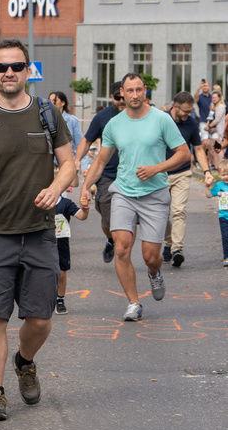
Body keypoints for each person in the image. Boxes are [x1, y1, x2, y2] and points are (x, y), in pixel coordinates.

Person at [0, 38, 75, 422]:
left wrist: (56, 188)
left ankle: (24, 361)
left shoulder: (47, 114)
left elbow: (69, 164)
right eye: (2, 67)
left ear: (28, 71)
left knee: (40, 319)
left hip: (39, 232)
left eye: (17, 67)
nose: (10, 73)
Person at [80, 73, 189, 323]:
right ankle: (133, 302)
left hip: (155, 194)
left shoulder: (161, 120)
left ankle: (154, 272)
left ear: (145, 91)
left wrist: (157, 168)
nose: (135, 95)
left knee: (151, 256)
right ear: (122, 93)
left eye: (139, 90)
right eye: (129, 91)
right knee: (121, 248)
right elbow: (101, 160)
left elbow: (184, 154)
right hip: (124, 193)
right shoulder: (114, 124)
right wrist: (86, 187)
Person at [74, 80, 126, 264]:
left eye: (123, 97)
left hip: (130, 175)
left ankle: (123, 254)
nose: (121, 101)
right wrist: (77, 161)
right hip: (106, 175)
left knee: (128, 219)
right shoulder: (103, 117)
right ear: (112, 97)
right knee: (106, 218)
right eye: (117, 98)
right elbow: (87, 141)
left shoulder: (135, 114)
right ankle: (111, 239)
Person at [162, 91, 214, 267]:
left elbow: (198, 149)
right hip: (160, 174)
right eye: (185, 111)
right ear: (175, 107)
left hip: (182, 173)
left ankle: (177, 249)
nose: (188, 114)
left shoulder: (191, 124)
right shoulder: (161, 120)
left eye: (190, 111)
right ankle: (168, 244)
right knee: (162, 214)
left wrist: (206, 170)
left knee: (179, 211)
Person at [53, 189, 89, 315]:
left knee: (62, 273)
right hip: (42, 243)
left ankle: (60, 299)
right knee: (42, 272)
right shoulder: (39, 202)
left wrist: (85, 209)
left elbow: (82, 217)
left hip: (61, 243)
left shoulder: (66, 203)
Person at [204, 158, 228, 266]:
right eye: (223, 175)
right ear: (219, 174)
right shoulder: (218, 186)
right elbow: (209, 195)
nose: (226, 177)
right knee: (225, 237)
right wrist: (206, 186)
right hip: (224, 216)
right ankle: (226, 257)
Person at [50, 91, 83, 159]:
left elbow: (80, 144)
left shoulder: (72, 120)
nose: (51, 103)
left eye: (54, 100)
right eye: (49, 100)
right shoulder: (44, 120)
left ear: (63, 103)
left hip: (67, 161)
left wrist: (82, 165)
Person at [194, 80, 214, 168]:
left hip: (213, 122)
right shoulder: (200, 97)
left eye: (206, 86)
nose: (205, 87)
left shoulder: (212, 97)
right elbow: (195, 99)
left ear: (209, 87)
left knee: (211, 144)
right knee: (205, 142)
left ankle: (209, 163)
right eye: (203, 86)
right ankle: (199, 160)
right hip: (203, 121)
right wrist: (198, 88)